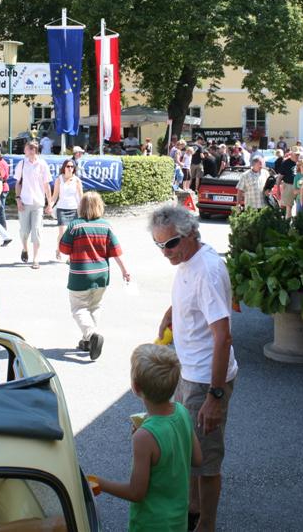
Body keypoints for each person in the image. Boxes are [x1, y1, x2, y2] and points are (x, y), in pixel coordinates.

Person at [149, 206, 237, 532]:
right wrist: (173, 310)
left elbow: (223, 337)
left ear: (189, 235)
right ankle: (193, 509)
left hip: (205, 381)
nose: (165, 252)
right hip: (189, 373)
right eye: (159, 245)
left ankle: (206, 525)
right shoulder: (188, 260)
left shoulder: (208, 271)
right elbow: (194, 295)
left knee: (207, 461)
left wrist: (215, 396)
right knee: (190, 451)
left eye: (170, 244)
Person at [94, 344, 203, 531]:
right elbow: (198, 459)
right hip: (177, 521)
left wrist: (100, 483)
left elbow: (136, 492)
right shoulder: (182, 412)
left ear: (136, 387)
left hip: (151, 524)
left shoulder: (144, 437)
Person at [58, 191, 131, 359]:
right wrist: (125, 270)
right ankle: (87, 342)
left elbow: (64, 249)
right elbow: (116, 252)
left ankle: (91, 335)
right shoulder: (106, 226)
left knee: (79, 308)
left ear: (81, 207)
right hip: (102, 275)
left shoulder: (75, 225)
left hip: (80, 274)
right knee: (95, 307)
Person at [14, 141, 54, 268]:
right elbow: (18, 183)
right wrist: (18, 199)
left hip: (38, 203)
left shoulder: (42, 164)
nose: (30, 151)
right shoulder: (22, 164)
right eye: (28, 148)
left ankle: (35, 259)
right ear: (25, 150)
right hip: (25, 201)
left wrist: (50, 203)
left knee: (37, 231)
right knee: (24, 232)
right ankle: (25, 249)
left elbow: (46, 185)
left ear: (36, 150)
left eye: (33, 149)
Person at [51, 158, 84, 260]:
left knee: (73, 234)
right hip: (61, 208)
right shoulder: (59, 179)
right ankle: (58, 249)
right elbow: (55, 196)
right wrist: (49, 206)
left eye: (72, 167)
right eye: (68, 166)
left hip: (74, 209)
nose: (70, 168)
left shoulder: (77, 180)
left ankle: (70, 257)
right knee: (62, 232)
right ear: (64, 168)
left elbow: (81, 196)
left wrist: (83, 209)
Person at [276, 149, 298, 219]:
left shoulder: (300, 162)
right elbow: (279, 177)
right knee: (289, 207)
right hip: (288, 186)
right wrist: (278, 189)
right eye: (296, 155)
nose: (298, 156)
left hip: (299, 187)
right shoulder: (286, 163)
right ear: (291, 155)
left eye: (298, 155)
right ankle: (288, 224)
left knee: (299, 206)